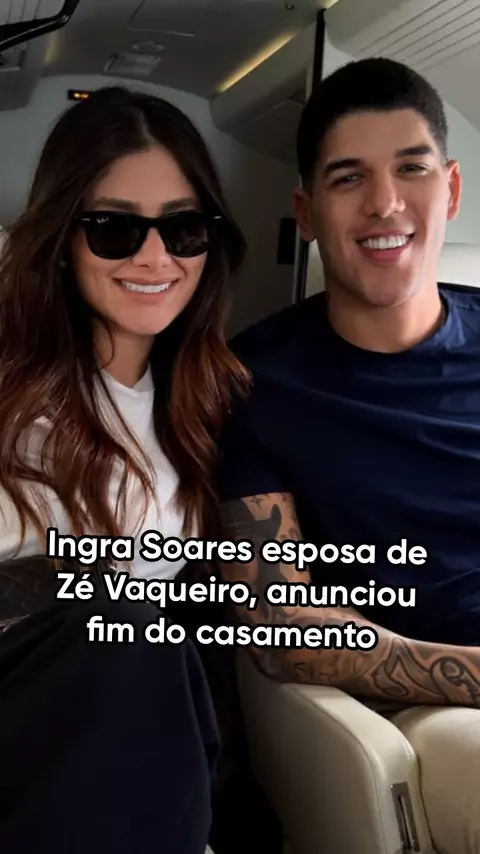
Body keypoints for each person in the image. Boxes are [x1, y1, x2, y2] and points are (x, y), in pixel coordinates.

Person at [216, 58, 480, 854]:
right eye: (349, 178)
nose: (385, 203)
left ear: (451, 190)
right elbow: (280, 618)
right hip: (430, 706)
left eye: (412, 169)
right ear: (306, 211)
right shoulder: (251, 384)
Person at [0, 85, 262, 854]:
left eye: (183, 228)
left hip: (120, 755)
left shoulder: (206, 405)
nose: (155, 257)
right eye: (115, 229)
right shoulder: (12, 391)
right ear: (63, 239)